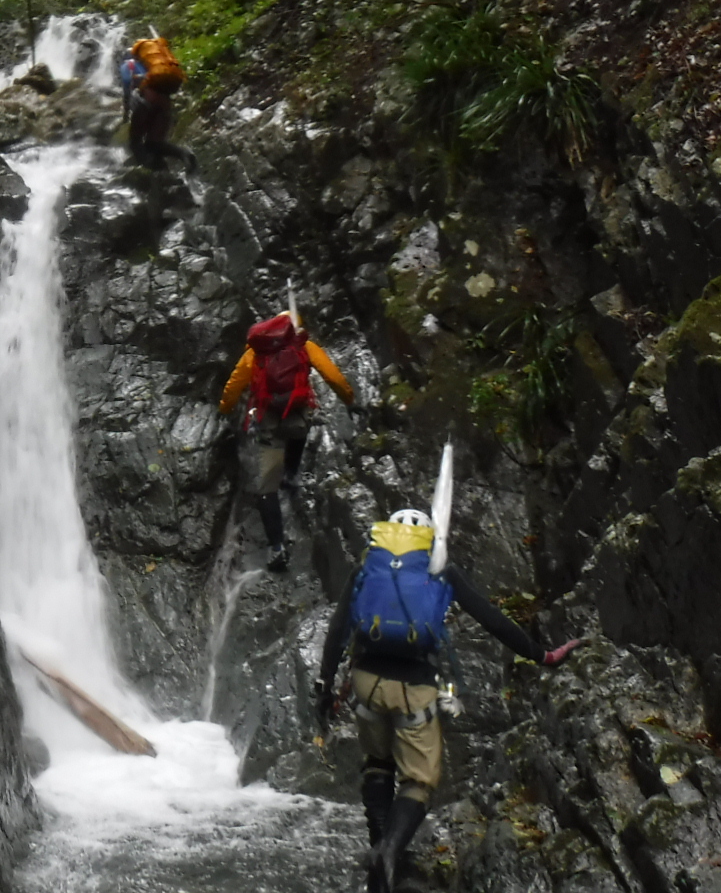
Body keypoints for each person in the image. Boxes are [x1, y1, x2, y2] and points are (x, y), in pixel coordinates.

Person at [313, 509, 581, 893]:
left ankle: (380, 856)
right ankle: (389, 852)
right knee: (419, 780)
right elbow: (493, 620)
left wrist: (324, 686)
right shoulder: (441, 570)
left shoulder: (367, 567)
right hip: (413, 687)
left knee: (377, 763)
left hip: (366, 682)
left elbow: (339, 630)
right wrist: (543, 655)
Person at [218, 311, 354, 571]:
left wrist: (225, 408)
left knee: (267, 487)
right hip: (298, 419)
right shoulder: (305, 348)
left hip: (270, 423)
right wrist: (349, 399)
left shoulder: (254, 354)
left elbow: (233, 385)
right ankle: (291, 474)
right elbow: (332, 376)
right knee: (299, 434)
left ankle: (277, 547)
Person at [120, 36, 198, 173]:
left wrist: (126, 116)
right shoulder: (156, 68)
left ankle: (148, 175)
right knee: (154, 144)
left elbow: (128, 92)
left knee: (135, 143)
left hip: (146, 99)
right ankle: (184, 154)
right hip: (164, 101)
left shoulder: (128, 66)